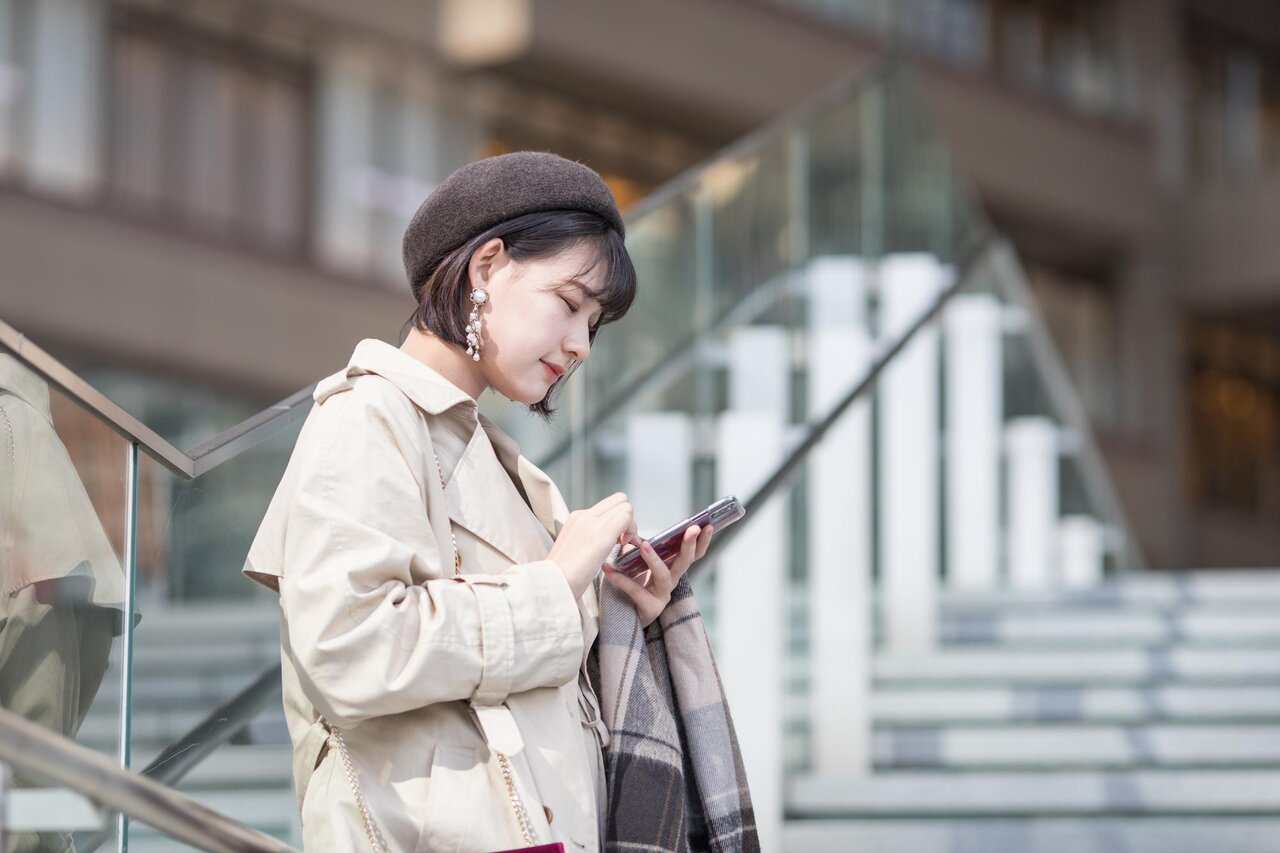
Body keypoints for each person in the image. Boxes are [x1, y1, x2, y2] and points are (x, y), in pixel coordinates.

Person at [243, 152, 716, 852]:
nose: (581, 345)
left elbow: (525, 688)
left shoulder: (504, 464)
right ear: (487, 266)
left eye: (593, 323)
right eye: (569, 304)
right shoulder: (367, 416)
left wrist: (618, 607)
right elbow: (349, 646)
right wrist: (555, 586)